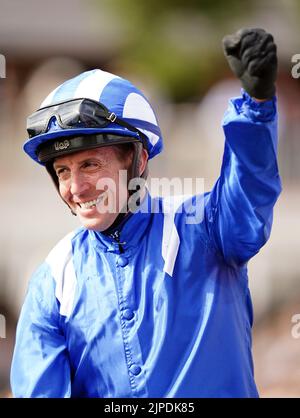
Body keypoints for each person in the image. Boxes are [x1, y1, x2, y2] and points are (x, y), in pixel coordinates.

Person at [11, 28, 281, 398]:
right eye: (62, 171)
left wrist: (257, 106)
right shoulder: (53, 282)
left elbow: (250, 197)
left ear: (137, 159)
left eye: (89, 165)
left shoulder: (205, 226)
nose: (75, 188)